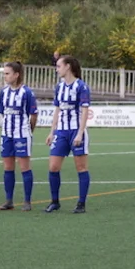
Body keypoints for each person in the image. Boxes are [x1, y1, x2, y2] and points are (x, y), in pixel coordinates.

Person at [45, 55, 91, 213]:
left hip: (76, 131)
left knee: (81, 167)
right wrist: (52, 132)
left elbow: (85, 111)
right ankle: (55, 202)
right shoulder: (59, 87)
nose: (57, 69)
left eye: (59, 66)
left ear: (68, 66)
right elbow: (57, 110)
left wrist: (80, 133)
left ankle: (81, 203)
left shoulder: (81, 86)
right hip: (61, 132)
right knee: (53, 167)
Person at [0, 61, 38, 211]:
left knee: (24, 167)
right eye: (4, 73)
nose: (5, 76)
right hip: (6, 134)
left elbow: (33, 115)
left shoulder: (27, 93)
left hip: (22, 135)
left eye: (7, 73)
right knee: (8, 167)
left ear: (16, 75)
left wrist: (28, 130)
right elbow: (2, 112)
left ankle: (27, 201)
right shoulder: (4, 92)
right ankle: (9, 200)